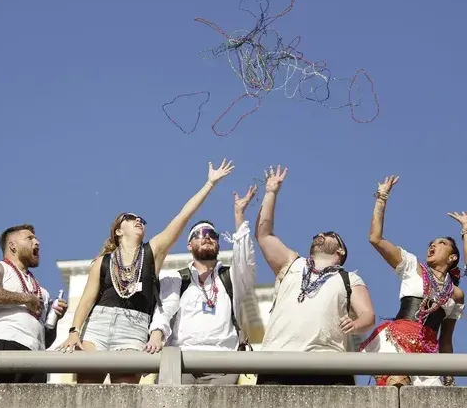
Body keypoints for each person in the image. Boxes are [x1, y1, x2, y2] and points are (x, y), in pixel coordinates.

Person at [57, 159, 234, 384]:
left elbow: (182, 217)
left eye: (141, 219)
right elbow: (87, 300)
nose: (138, 220)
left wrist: (209, 184)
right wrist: (74, 332)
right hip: (98, 325)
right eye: (131, 218)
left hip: (133, 329)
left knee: (125, 394)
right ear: (118, 231)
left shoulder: (152, 253)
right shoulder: (103, 262)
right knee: (87, 390)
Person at [254, 165, 375, 386]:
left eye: (328, 235)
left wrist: (357, 325)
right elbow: (263, 235)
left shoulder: (349, 279)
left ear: (341, 251)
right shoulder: (291, 263)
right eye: (319, 233)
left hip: (328, 363)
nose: (320, 234)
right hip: (277, 359)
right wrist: (271, 193)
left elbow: (368, 315)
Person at [145, 185, 258, 385]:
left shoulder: (231, 277)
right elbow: (164, 312)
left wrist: (239, 216)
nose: (206, 237)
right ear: (189, 245)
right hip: (181, 361)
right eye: (199, 234)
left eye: (212, 235)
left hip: (223, 363)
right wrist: (156, 335)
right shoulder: (177, 279)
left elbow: (245, 260)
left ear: (218, 243)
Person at [361, 175, 465, 387]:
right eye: (431, 243)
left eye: (441, 243)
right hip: (397, 341)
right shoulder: (411, 266)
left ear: (452, 257)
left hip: (427, 353)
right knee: (397, 383)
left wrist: (449, 374)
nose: (432, 245)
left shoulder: (455, 294)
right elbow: (375, 239)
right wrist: (381, 198)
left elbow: (445, 341)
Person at [0, 224, 68, 384]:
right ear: (13, 246)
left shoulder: (42, 292)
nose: (37, 242)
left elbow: (45, 341)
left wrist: (55, 320)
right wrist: (26, 299)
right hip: (3, 344)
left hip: (36, 357)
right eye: (30, 238)